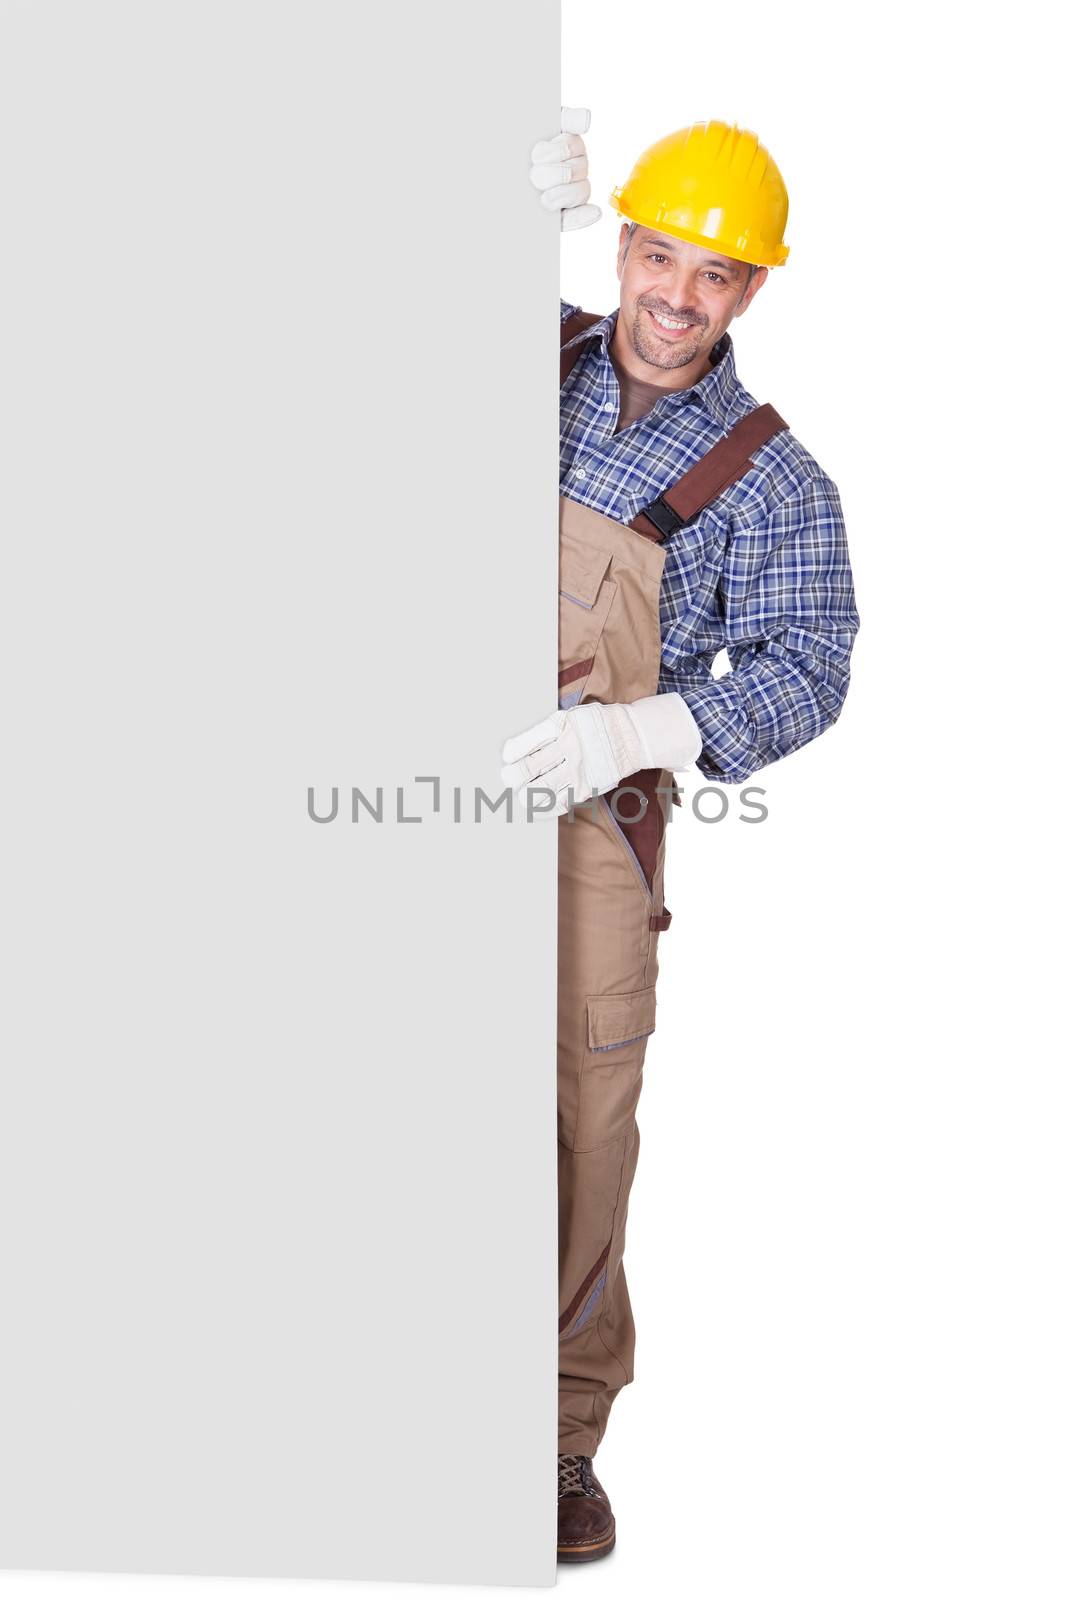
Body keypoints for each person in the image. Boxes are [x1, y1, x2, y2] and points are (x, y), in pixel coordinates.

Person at [500, 110, 860, 1564]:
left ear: (749, 292)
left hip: (595, 827)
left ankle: (552, 1440)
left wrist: (635, 734)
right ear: (625, 246)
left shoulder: (774, 479)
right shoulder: (534, 352)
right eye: (657, 253)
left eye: (714, 273)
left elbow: (813, 661)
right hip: (414, 776)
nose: (673, 293)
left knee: (582, 1129)